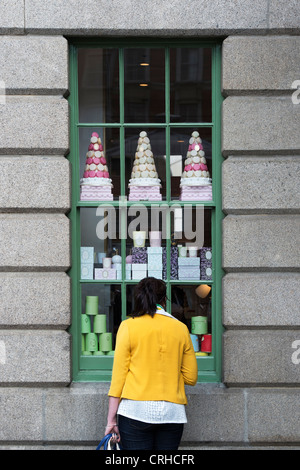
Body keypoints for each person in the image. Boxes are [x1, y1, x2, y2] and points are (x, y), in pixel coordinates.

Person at [105, 277, 198, 450]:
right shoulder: (181, 329)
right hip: (172, 413)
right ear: (164, 299)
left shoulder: (128, 327)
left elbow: (118, 379)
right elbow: (191, 378)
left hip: (135, 411)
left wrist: (111, 420)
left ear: (139, 298)